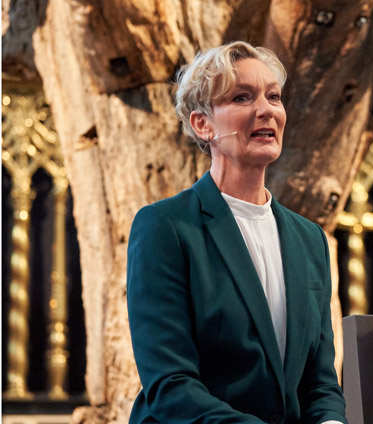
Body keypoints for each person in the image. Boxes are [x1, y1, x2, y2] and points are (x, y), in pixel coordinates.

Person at [126, 41, 347, 424]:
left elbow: (320, 384)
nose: (266, 110)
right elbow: (170, 383)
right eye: (242, 97)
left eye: (274, 97)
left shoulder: (309, 238)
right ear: (202, 123)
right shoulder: (166, 227)